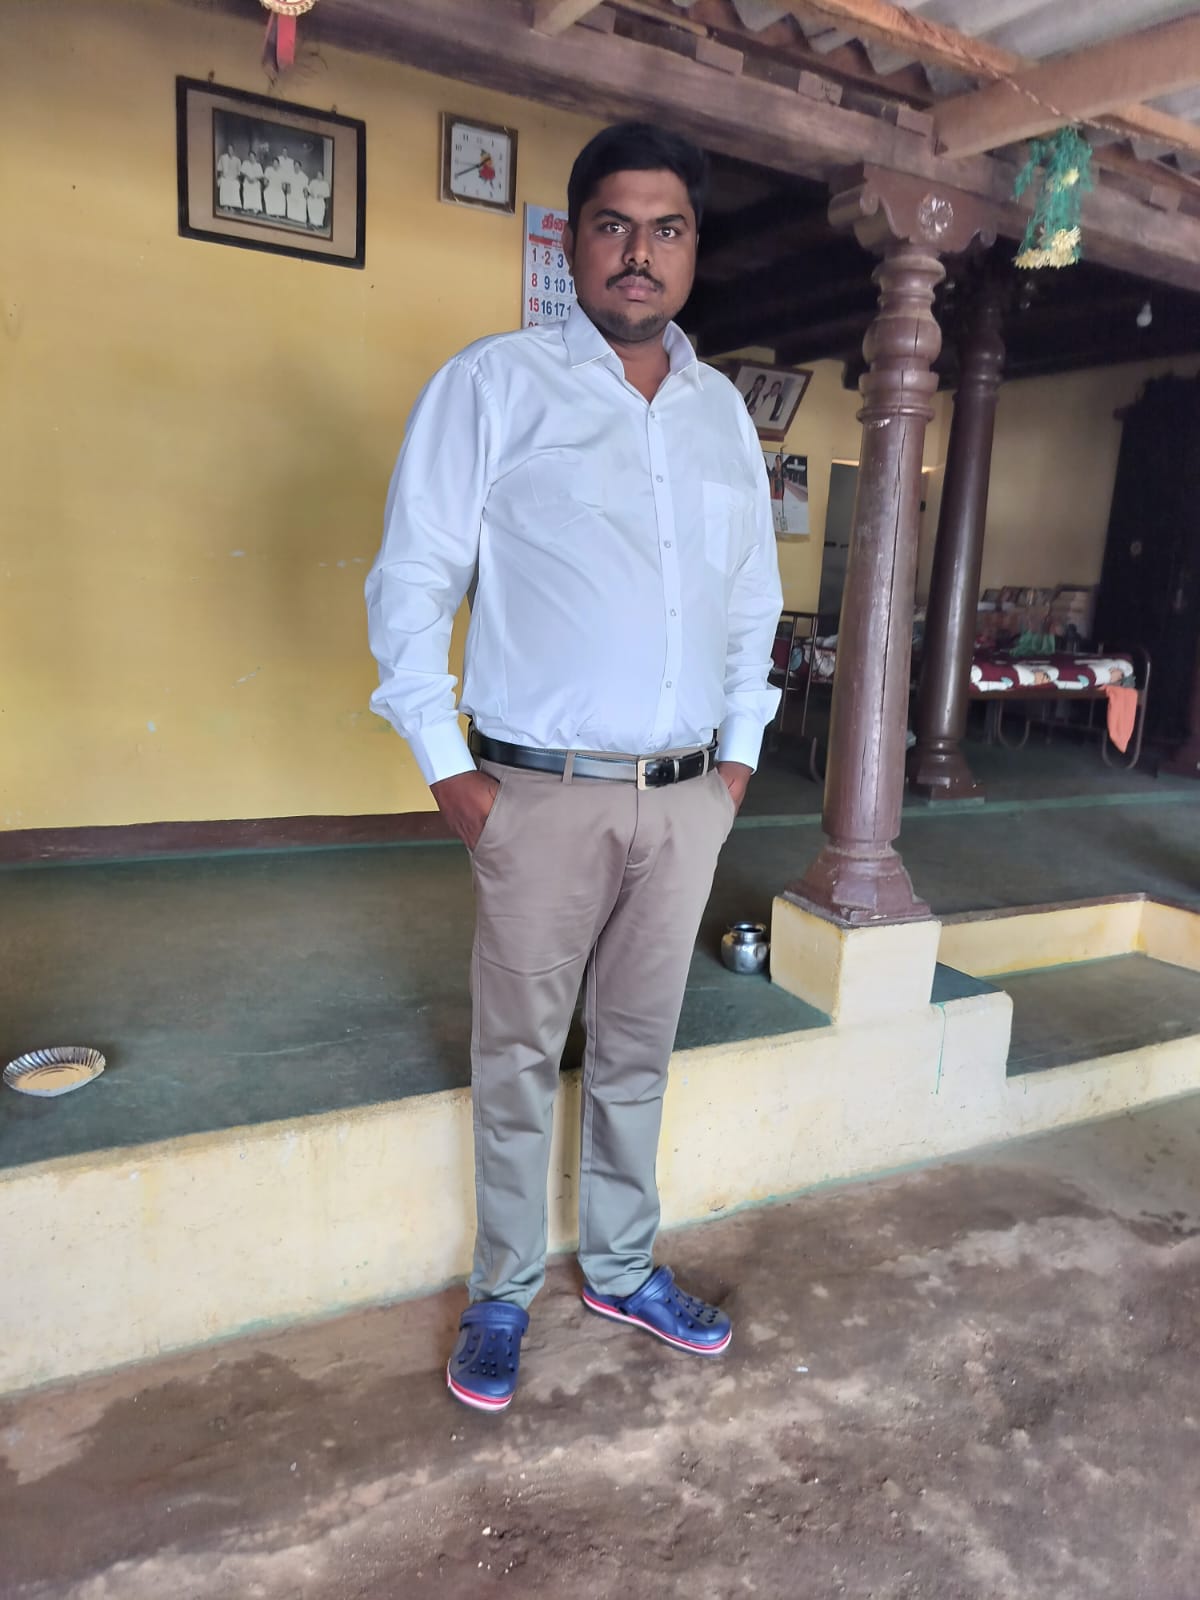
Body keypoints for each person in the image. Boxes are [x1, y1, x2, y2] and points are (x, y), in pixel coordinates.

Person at [366, 121, 782, 1414]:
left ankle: (619, 1265)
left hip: (685, 800)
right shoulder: (493, 385)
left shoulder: (722, 416)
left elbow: (751, 603)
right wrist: (449, 767)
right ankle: (501, 1291)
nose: (638, 252)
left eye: (667, 228)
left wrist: (735, 766)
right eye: (614, 224)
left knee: (639, 1048)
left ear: (693, 250)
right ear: (570, 242)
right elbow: (412, 578)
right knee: (518, 1054)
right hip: (536, 794)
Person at [216, 143, 243, 211]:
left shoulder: (237, 160)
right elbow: (219, 169)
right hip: (225, 177)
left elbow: (239, 172)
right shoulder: (222, 157)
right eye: (228, 149)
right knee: (224, 183)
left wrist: (236, 178)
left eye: (231, 149)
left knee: (235, 184)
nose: (229, 151)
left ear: (233, 150)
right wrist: (222, 176)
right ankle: (225, 205)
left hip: (234, 178)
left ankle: (232, 206)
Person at [240, 150, 264, 215]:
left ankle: (255, 209)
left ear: (255, 157)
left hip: (255, 182)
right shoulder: (245, 163)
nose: (251, 158)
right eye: (250, 157)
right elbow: (241, 172)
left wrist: (255, 179)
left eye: (252, 157)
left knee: (256, 191)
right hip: (247, 181)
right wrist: (247, 177)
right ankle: (247, 208)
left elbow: (261, 176)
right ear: (248, 157)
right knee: (246, 190)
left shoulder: (258, 165)